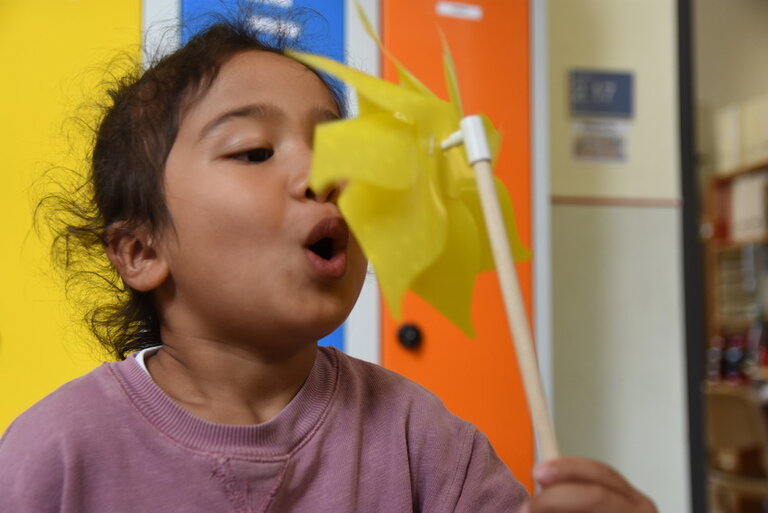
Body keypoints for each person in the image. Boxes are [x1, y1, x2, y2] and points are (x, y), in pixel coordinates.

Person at [0, 17, 656, 513]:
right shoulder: (57, 453)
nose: (325, 176)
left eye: (341, 151)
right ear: (142, 251)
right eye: (255, 150)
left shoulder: (420, 438)